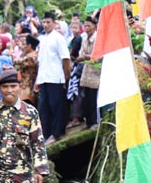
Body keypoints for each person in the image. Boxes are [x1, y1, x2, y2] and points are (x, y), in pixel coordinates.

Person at [36, 12, 71, 145]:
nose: (45, 25)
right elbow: (41, 61)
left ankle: (56, 133)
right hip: (44, 78)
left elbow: (65, 58)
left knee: (56, 107)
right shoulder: (42, 39)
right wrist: (37, 80)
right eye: (44, 22)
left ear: (54, 23)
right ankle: (47, 133)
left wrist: (66, 77)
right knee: (44, 108)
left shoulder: (58, 38)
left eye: (48, 22)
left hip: (56, 78)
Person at [77, 16, 100, 129]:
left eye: (89, 26)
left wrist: (85, 56)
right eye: (85, 26)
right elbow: (81, 53)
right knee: (86, 99)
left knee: (93, 98)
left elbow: (99, 56)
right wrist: (85, 57)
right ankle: (89, 122)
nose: (86, 28)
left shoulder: (98, 38)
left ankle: (95, 122)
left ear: (95, 27)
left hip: (96, 72)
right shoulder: (84, 39)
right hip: (86, 71)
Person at [15, 35, 39, 106]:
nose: (23, 47)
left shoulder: (30, 58)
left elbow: (15, 63)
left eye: (25, 44)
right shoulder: (35, 55)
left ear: (29, 46)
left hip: (27, 89)